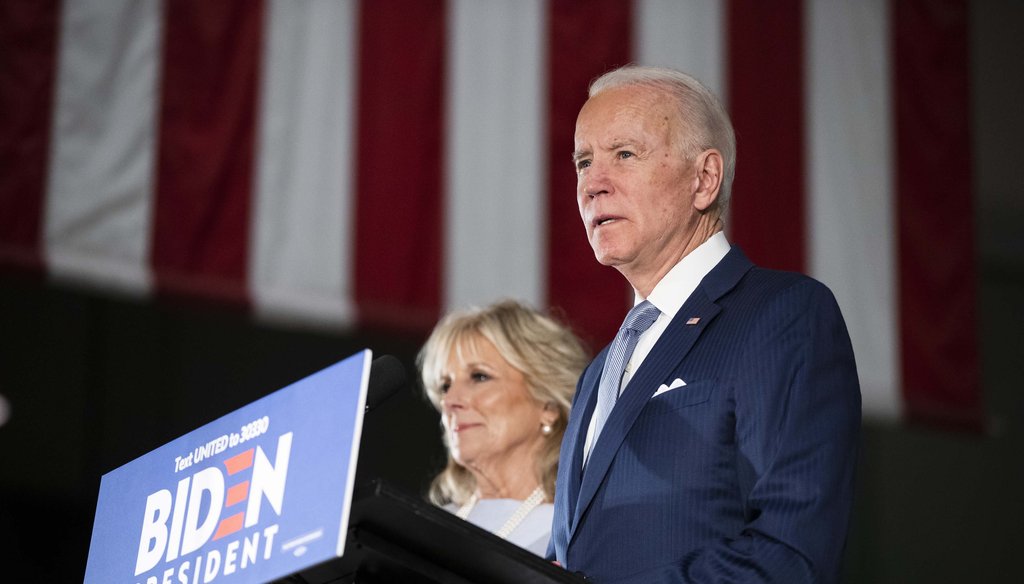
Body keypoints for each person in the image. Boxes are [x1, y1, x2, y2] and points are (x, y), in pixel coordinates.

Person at [549, 65, 861, 583]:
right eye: (584, 162)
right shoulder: (600, 372)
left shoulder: (783, 314)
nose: (593, 185)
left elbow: (791, 553)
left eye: (624, 155)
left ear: (704, 179)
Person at [418, 299, 589, 556]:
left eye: (479, 376)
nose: (450, 401)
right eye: (445, 385)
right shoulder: (420, 529)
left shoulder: (577, 534)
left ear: (548, 406)